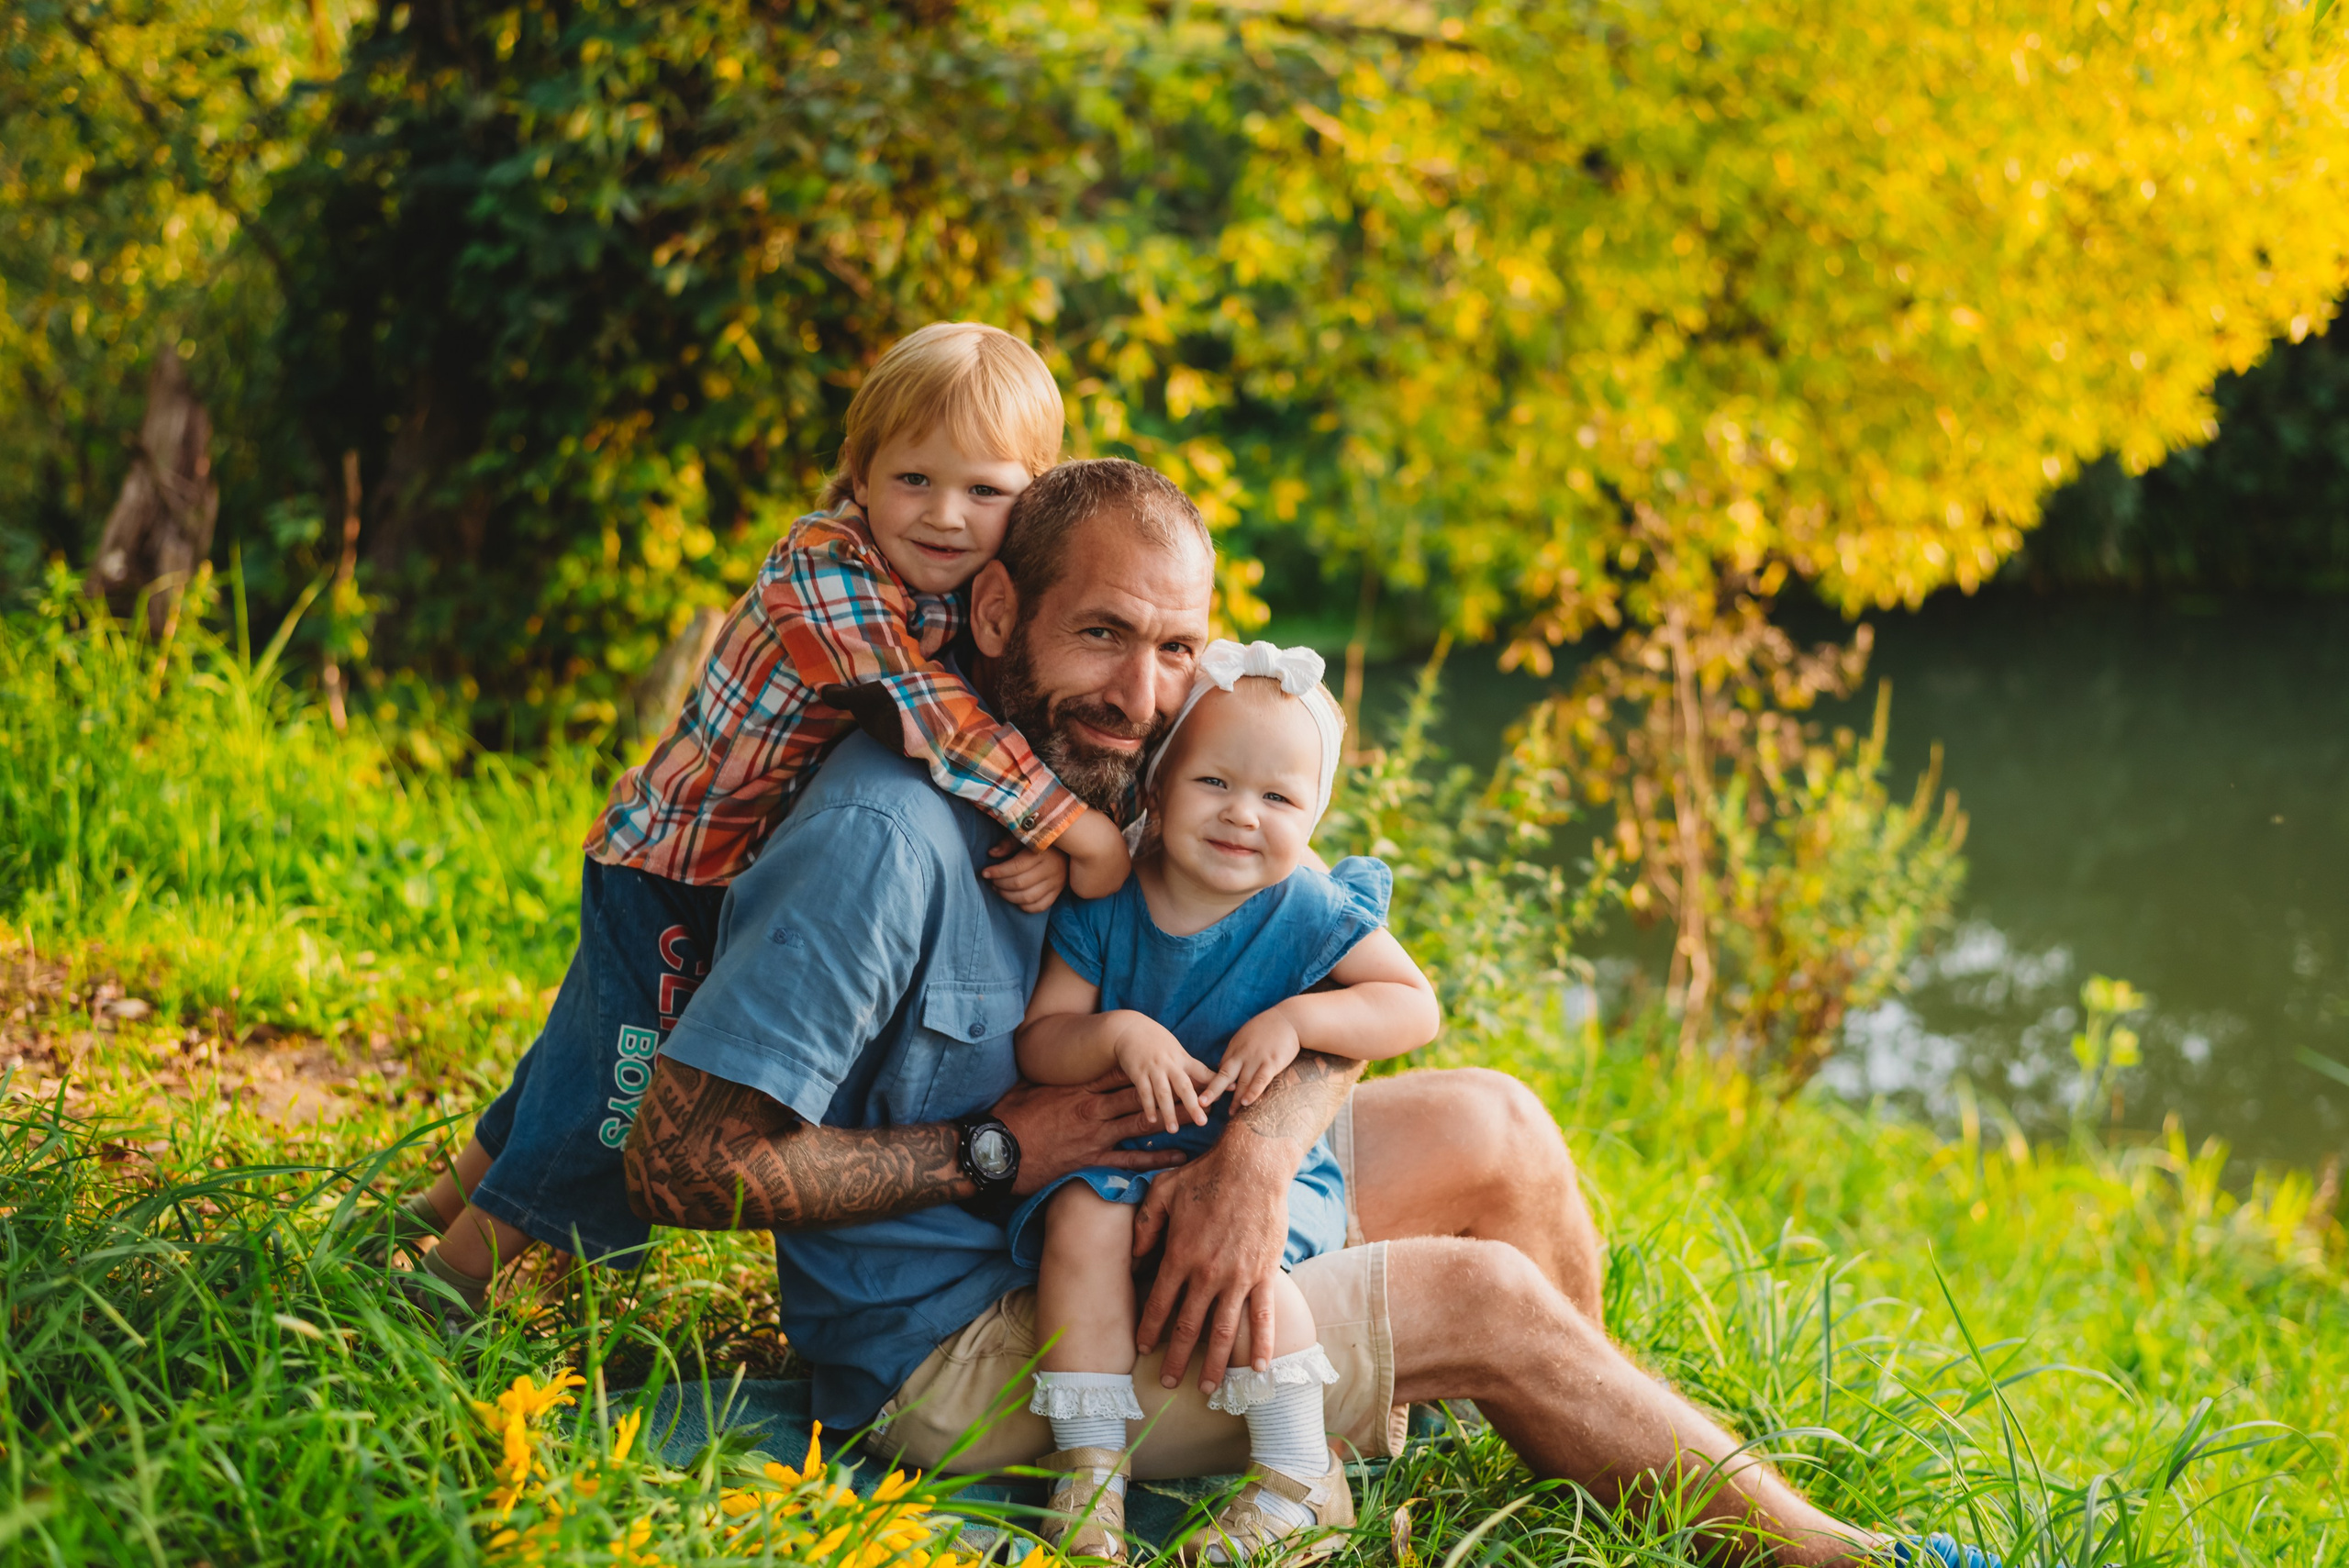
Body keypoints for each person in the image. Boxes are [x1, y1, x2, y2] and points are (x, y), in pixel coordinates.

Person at [623, 457, 1981, 1567]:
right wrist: (993, 1150)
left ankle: (1584, 1462)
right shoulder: (881, 838)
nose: (1141, 689)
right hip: (967, 1340)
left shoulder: (1143, 765)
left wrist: (1257, 1156)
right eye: (1099, 634)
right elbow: (679, 1165)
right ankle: (1824, 1556)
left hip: (1146, 1196)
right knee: (1477, 1293)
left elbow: (1337, 980)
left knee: (1498, 1123)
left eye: (1172, 647)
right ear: (996, 618)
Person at [373, 322, 1131, 1312]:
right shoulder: (826, 567)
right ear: (858, 474)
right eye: (913, 480)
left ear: (1025, 498)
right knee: (620, 1090)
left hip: (724, 868)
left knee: (576, 1058)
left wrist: (1024, 840)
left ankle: (399, 1220)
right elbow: (926, 717)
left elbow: (997, 723)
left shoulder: (950, 587)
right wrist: (1075, 828)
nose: (945, 515)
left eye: (985, 491)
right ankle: (439, 1291)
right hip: (673, 866)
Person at [1010, 640, 1442, 1562]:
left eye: (1279, 798)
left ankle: (1293, 1476)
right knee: (1078, 1218)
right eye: (1213, 781)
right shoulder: (1106, 899)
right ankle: (1089, 1467)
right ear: (1157, 792)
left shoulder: (1308, 909)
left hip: (1243, 1155)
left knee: (1262, 1285)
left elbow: (1413, 1007)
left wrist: (1297, 1016)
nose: (1243, 815)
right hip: (1126, 1147)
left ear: (1314, 815)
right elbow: (1043, 1039)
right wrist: (1118, 1032)